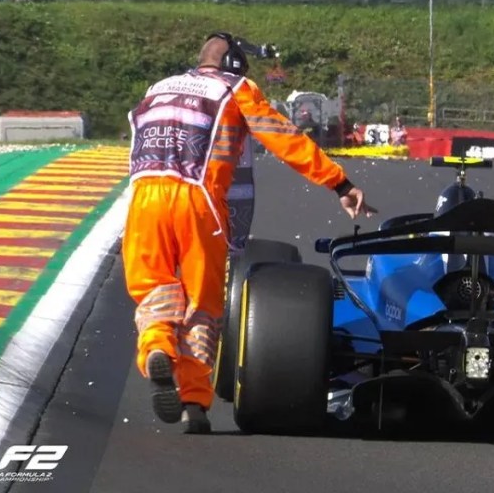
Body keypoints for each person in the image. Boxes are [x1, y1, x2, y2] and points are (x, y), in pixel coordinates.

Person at [122, 32, 376, 434]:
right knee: (202, 305)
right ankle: (193, 402)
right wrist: (339, 183)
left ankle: (157, 347)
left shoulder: (157, 89)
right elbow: (283, 138)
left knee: (154, 289)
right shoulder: (235, 88)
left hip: (142, 198)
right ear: (235, 65)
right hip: (197, 201)